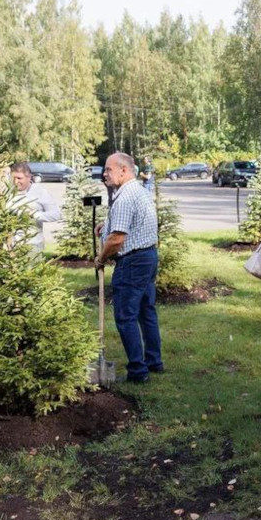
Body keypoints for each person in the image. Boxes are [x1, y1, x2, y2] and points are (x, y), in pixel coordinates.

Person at [95, 152, 162, 383]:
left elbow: (116, 240)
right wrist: (107, 226)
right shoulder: (138, 191)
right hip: (148, 256)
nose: (105, 174)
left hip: (133, 262)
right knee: (146, 312)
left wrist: (101, 258)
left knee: (125, 316)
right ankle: (154, 362)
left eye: (108, 169)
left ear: (124, 171)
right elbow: (130, 223)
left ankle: (138, 371)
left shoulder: (124, 197)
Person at [10, 162, 62, 254]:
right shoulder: (7, 192)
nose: (15, 182)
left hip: (32, 245)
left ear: (29, 177)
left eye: (19, 178)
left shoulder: (40, 192)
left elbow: (56, 214)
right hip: (10, 245)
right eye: (13, 178)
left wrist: (35, 214)